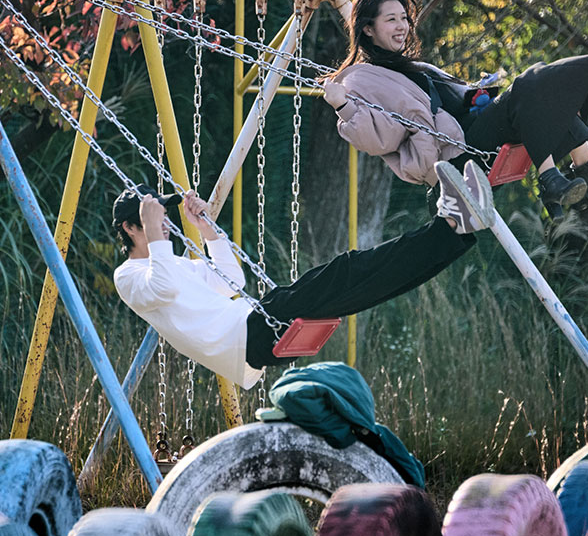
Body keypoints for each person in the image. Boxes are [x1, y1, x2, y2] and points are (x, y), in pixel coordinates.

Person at [112, 160, 490, 389]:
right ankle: (449, 224)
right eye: (155, 219)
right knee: (349, 273)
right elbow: (162, 288)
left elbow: (231, 280)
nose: (165, 224)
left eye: (164, 217)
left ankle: (453, 231)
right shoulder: (128, 275)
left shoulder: (171, 263)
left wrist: (206, 230)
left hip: (257, 319)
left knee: (359, 284)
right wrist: (154, 227)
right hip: (252, 336)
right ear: (130, 228)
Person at [321, 0, 588, 215]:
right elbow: (379, 137)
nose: (402, 26)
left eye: (404, 18)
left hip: (471, 135)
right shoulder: (361, 78)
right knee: (529, 85)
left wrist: (473, 93)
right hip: (455, 158)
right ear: (368, 29)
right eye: (392, 20)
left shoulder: (405, 64)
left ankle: (581, 167)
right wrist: (343, 106)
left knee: (542, 88)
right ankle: (557, 176)